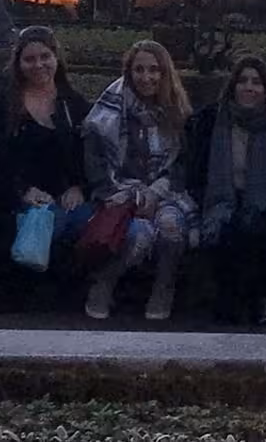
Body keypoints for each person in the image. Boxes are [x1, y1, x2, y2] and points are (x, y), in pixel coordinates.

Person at [184, 54, 266, 325]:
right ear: (232, 86)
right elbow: (194, 169)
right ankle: (229, 299)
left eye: (256, 82)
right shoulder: (211, 121)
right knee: (228, 230)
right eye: (243, 81)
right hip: (220, 201)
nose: (249, 87)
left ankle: (258, 299)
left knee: (262, 231)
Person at [0, 26, 93, 303]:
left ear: (56, 58)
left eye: (45, 56)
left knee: (86, 221)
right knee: (46, 221)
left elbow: (88, 156)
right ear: (18, 63)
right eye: (30, 59)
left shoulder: (73, 106)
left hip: (62, 195)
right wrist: (21, 190)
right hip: (10, 195)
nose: (38, 65)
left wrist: (78, 186)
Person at [80, 39, 197, 320]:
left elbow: (183, 164)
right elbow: (95, 161)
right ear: (129, 73)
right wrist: (127, 196)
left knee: (170, 228)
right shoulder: (108, 111)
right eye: (139, 70)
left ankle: (164, 287)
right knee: (138, 235)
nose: (147, 77)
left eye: (154, 70)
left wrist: (156, 193)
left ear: (165, 73)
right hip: (119, 192)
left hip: (166, 192)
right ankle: (105, 281)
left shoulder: (178, 113)